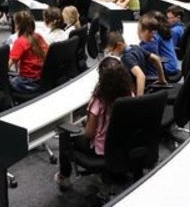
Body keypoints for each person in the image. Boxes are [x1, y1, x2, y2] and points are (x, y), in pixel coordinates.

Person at [54, 57, 133, 189]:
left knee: (64, 134)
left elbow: (89, 134)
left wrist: (87, 124)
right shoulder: (130, 94)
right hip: (123, 146)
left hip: (101, 150)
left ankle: (64, 177)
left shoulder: (98, 100)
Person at [105, 31, 166, 96]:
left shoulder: (126, 58)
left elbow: (141, 76)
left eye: (111, 51)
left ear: (119, 45)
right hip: (145, 88)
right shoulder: (135, 47)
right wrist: (161, 79)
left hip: (137, 92)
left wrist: (138, 101)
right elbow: (156, 58)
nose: (112, 54)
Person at [9, 11, 49, 93]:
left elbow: (8, 65)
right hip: (42, 78)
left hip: (28, 82)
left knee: (5, 84)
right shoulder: (38, 36)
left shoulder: (20, 42)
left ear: (17, 26)